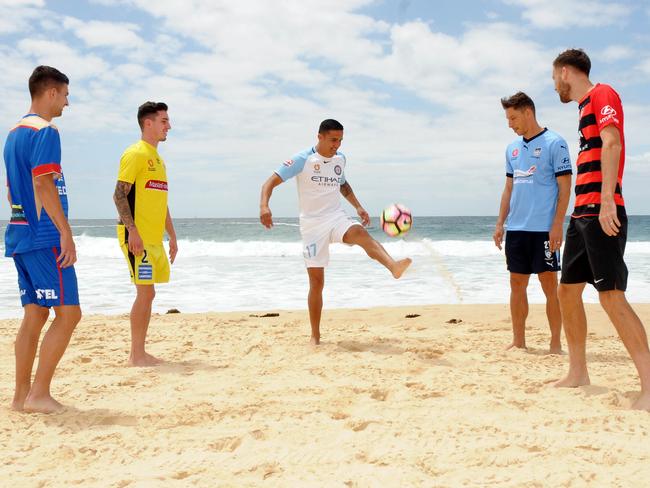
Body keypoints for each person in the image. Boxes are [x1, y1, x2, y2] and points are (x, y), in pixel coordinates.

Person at [551, 48, 650, 410]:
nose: (555, 87)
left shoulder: (602, 94)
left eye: (554, 79)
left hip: (601, 211)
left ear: (565, 72)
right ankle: (578, 372)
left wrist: (608, 198)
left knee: (611, 297)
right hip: (581, 216)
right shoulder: (582, 109)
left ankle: (649, 386)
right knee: (567, 293)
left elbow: (612, 142)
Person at [259, 119, 411, 345]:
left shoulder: (340, 159)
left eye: (340, 140)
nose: (337, 145)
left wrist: (358, 206)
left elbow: (343, 184)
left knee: (360, 233)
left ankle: (393, 266)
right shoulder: (302, 159)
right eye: (333, 140)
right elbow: (269, 183)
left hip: (335, 217)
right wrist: (264, 206)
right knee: (317, 283)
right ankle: (315, 336)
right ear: (319, 137)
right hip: (312, 226)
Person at [4, 66, 81, 413]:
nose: (67, 102)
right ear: (50, 92)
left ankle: (21, 397)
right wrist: (65, 232)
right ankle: (39, 394)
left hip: (19, 234)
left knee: (35, 315)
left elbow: (11, 192)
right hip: (45, 236)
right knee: (69, 314)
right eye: (65, 94)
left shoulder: (13, 134)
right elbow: (42, 183)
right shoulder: (46, 131)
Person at [493, 92, 572, 354]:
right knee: (517, 284)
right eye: (508, 118)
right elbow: (508, 188)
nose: (510, 124)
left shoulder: (555, 143)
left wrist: (557, 224)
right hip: (516, 230)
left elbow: (564, 188)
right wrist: (500, 223)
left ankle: (555, 343)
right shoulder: (512, 149)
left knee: (550, 286)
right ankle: (519, 341)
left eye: (513, 117)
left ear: (528, 112)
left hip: (544, 231)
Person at [113, 102, 177, 366]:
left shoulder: (158, 159)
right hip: (137, 237)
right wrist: (133, 232)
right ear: (147, 123)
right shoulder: (135, 154)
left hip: (153, 238)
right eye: (164, 121)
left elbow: (160, 202)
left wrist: (172, 236)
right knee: (145, 293)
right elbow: (119, 195)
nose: (168, 126)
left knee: (149, 293)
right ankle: (136, 355)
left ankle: (139, 352)